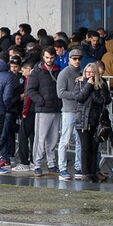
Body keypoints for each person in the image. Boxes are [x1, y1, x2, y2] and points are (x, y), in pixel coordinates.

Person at [73, 61, 111, 182]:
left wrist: (96, 88)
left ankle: (93, 171)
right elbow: (79, 98)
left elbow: (105, 100)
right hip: (83, 119)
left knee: (95, 147)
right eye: (87, 72)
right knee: (85, 147)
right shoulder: (80, 82)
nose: (89, 74)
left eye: (91, 72)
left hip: (96, 120)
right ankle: (85, 173)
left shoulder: (102, 83)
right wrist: (89, 85)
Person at [26, 46, 61, 177]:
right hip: (44, 108)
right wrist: (40, 101)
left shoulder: (58, 70)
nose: (49, 60)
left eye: (51, 57)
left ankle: (51, 163)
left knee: (53, 138)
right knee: (41, 139)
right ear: (43, 57)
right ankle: (37, 164)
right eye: (47, 57)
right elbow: (30, 90)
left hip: (55, 108)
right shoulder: (37, 71)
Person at [56, 47, 84, 180]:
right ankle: (62, 168)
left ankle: (78, 167)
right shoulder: (64, 73)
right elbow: (60, 93)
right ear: (69, 59)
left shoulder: (82, 72)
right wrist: (77, 95)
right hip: (68, 111)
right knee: (65, 140)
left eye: (79, 59)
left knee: (79, 141)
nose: (77, 61)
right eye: (74, 59)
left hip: (79, 110)